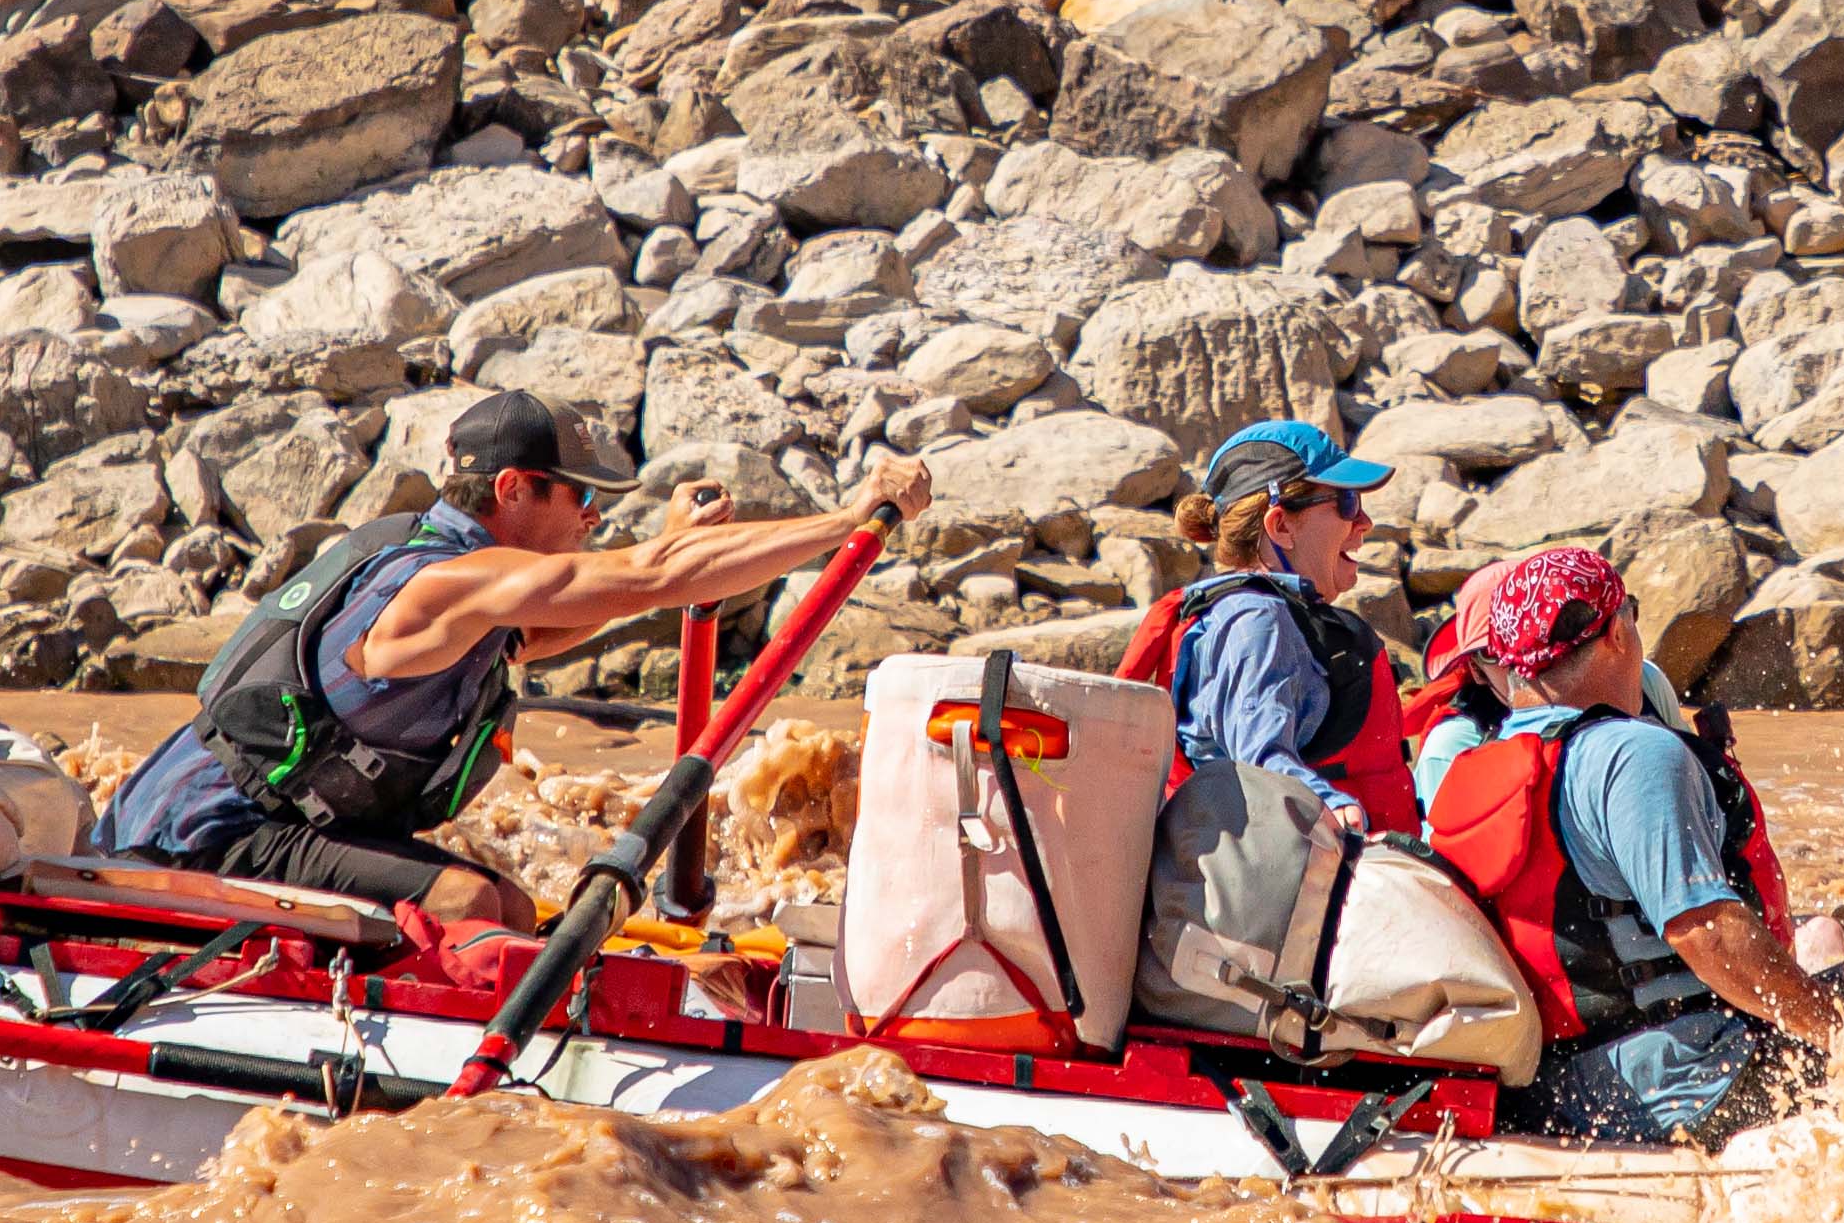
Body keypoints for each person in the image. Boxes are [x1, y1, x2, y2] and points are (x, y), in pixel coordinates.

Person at [97, 394, 929, 927]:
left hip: (259, 823)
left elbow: (571, 617)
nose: (595, 518)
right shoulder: (446, 582)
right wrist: (847, 520)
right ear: (513, 491)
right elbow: (645, 579)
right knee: (468, 903)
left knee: (509, 906)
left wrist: (670, 550)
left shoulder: (454, 579)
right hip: (196, 837)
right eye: (582, 496)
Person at [1419, 539, 1844, 1146]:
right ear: (1617, 633)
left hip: (1562, 1087)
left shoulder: (1471, 763)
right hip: (1687, 1078)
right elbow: (1708, 935)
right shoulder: (1632, 753)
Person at [1119, 419, 1421, 838]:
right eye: (1347, 503)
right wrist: (1333, 804)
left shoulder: (1263, 614)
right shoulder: (1255, 621)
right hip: (1285, 888)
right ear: (1281, 526)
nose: (1364, 522)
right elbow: (1258, 760)